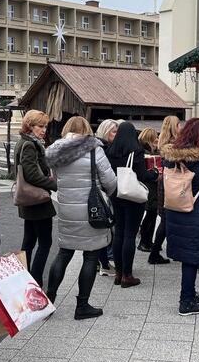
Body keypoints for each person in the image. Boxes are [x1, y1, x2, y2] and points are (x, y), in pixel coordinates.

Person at [44, 116, 117, 318]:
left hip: (67, 208)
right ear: (87, 129)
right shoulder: (94, 149)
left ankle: (48, 301)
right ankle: (82, 306)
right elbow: (110, 181)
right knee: (91, 256)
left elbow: (56, 180)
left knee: (64, 253)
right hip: (91, 211)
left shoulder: (56, 150)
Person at [162, 118, 199, 316]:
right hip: (196, 212)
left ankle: (190, 292)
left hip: (174, 209)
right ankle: (186, 301)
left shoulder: (170, 156)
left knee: (185, 254)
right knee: (191, 257)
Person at [107, 122, 158, 288]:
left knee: (119, 233)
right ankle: (127, 276)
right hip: (132, 197)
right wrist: (155, 173)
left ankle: (119, 273)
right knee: (130, 234)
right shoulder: (135, 151)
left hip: (116, 194)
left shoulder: (110, 151)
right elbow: (142, 175)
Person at [14, 110, 57, 286]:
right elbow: (31, 174)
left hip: (28, 199)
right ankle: (35, 279)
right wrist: (54, 185)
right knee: (45, 242)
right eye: (40, 126)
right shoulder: (30, 145)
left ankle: (25, 277)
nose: (44, 129)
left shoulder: (23, 142)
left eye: (45, 126)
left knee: (29, 241)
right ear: (29, 126)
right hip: (37, 200)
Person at [149, 115, 180, 265]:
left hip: (165, 182)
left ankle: (155, 252)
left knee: (165, 219)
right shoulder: (174, 146)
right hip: (172, 183)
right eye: (178, 124)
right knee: (167, 220)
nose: (180, 127)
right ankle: (154, 253)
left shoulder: (163, 142)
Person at [95, 119, 118, 277]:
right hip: (103, 194)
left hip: (98, 194)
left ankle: (101, 262)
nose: (116, 135)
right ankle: (103, 263)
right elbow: (107, 178)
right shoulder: (102, 148)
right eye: (113, 131)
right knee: (104, 230)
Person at [137, 127, 160, 252]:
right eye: (155, 138)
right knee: (150, 213)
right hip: (150, 186)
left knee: (151, 214)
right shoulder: (145, 152)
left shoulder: (142, 149)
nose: (157, 140)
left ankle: (147, 241)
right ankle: (144, 242)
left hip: (148, 186)